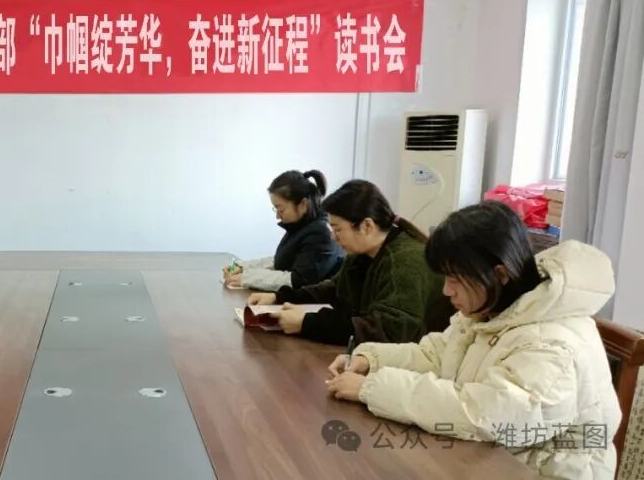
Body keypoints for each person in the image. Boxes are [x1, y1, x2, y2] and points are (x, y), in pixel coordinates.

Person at [325, 201, 621, 479]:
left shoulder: (551, 343)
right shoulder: (493, 308)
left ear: (499, 274)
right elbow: (436, 355)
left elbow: (483, 414)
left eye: (455, 279)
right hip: (489, 458)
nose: (446, 291)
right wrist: (370, 360)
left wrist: (372, 388)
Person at [248, 180, 453, 344]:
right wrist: (279, 297)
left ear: (367, 226)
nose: (333, 237)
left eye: (337, 229)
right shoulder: (362, 253)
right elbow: (335, 288)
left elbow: (390, 330)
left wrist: (307, 324)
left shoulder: (405, 261)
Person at [223, 169, 344, 291]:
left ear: (303, 204)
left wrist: (248, 278)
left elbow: (298, 280)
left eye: (281, 210)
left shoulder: (320, 233)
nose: (277, 216)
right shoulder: (301, 225)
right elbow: (282, 261)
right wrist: (242, 267)